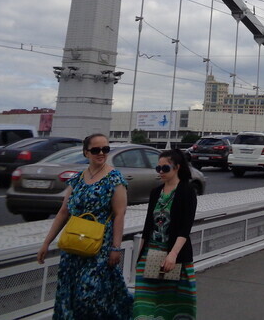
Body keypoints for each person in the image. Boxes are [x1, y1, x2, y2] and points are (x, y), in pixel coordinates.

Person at [37, 133, 132, 319]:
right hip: (74, 247)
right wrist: (47, 242)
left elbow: (120, 214)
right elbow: (64, 212)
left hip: (99, 248)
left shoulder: (115, 179)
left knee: (89, 295)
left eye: (105, 149)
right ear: (86, 152)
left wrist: (116, 248)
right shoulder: (78, 179)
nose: (101, 153)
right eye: (96, 150)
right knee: (69, 293)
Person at [133, 149, 198, 320]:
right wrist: (139, 258)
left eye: (165, 168)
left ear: (177, 167)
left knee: (172, 301)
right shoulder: (156, 192)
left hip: (173, 253)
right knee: (145, 299)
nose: (161, 172)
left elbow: (185, 227)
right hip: (151, 251)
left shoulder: (187, 191)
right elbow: (148, 227)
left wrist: (173, 255)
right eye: (158, 168)